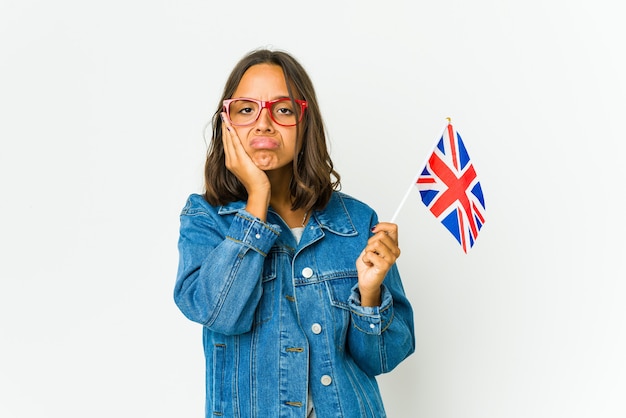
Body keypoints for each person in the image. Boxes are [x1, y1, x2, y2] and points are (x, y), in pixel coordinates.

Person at [174, 48, 415, 418]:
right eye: (245, 109)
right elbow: (219, 313)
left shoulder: (356, 221)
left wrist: (369, 294)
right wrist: (257, 198)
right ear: (226, 124)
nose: (263, 123)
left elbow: (384, 358)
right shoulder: (206, 218)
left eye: (283, 110)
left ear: (306, 124)